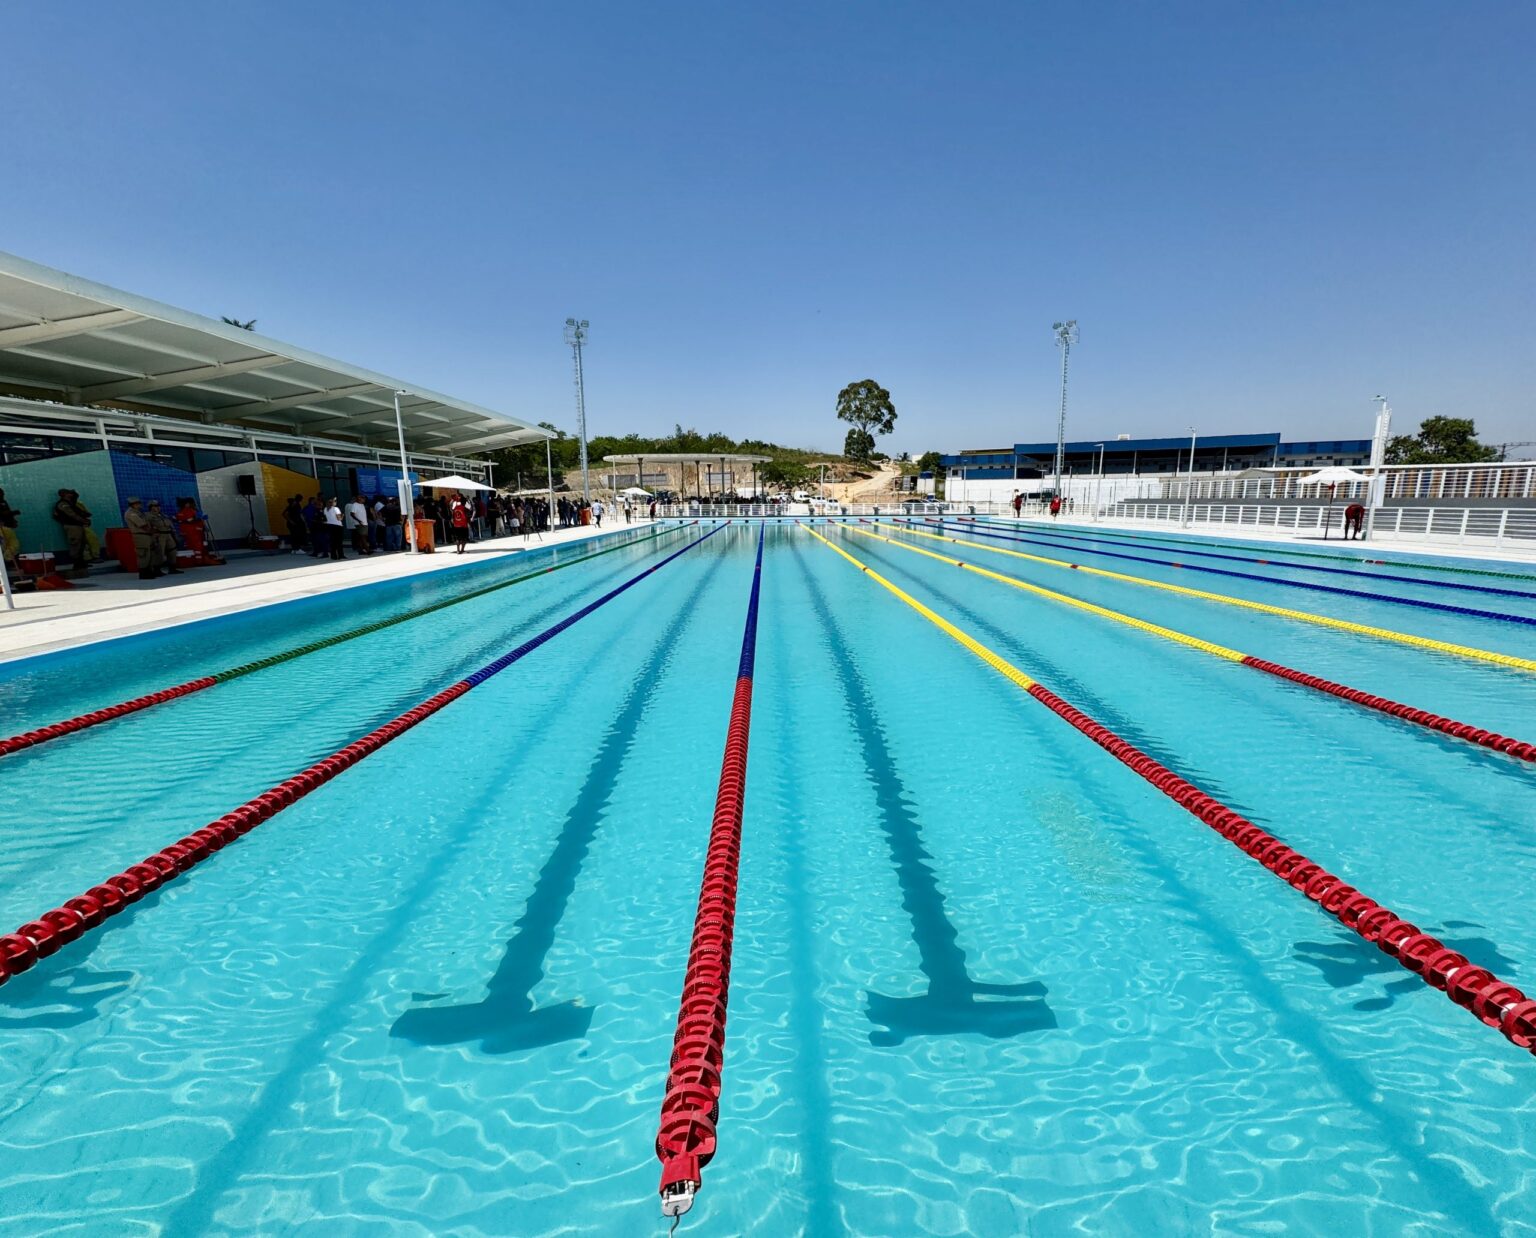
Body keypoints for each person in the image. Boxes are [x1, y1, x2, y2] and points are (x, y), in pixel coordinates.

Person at [52, 488, 99, 576]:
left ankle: (81, 564)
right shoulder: (63, 504)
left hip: (77, 525)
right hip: (72, 526)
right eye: (69, 493)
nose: (71, 494)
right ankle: (77, 565)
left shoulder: (71, 503)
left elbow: (77, 508)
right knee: (75, 544)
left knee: (82, 544)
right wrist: (83, 520)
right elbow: (72, 515)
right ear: (65, 494)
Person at [145, 500, 184, 574]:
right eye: (155, 506)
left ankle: (172, 568)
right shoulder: (148, 516)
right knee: (159, 552)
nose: (158, 508)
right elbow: (147, 526)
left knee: (172, 551)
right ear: (151, 507)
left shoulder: (163, 515)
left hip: (168, 534)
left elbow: (170, 524)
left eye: (158, 506)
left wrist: (174, 533)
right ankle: (157, 569)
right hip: (159, 535)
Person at [0, 487, 20, 571]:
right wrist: (12, 512)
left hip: (7, 527)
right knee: (3, 546)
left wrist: (13, 520)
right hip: (1, 528)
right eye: (1, 493)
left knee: (12, 545)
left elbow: (7, 512)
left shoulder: (3, 502)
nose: (3, 495)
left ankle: (9, 562)